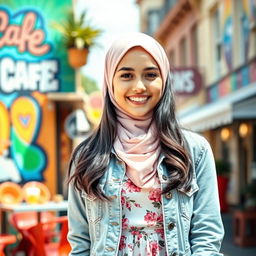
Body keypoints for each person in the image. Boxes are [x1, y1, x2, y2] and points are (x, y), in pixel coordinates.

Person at [67, 32, 224, 256]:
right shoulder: (87, 155)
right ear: (110, 82)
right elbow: (80, 242)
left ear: (164, 79)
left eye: (150, 74)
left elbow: (206, 235)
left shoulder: (195, 151)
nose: (139, 86)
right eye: (126, 75)